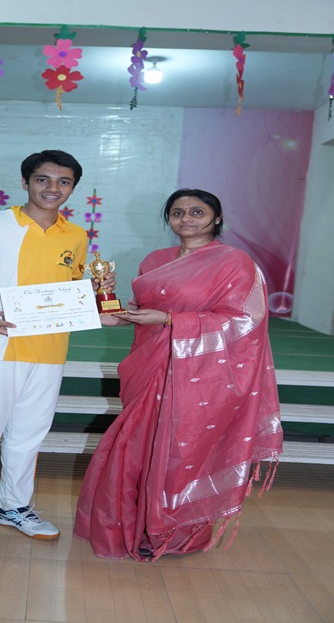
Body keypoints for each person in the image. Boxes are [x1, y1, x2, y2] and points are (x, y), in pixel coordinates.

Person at [74, 188, 283, 561]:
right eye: (177, 212)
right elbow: (136, 313)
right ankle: (130, 526)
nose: (186, 218)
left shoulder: (234, 262)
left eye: (197, 212)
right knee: (136, 446)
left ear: (217, 218)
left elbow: (244, 320)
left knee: (181, 452)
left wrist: (171, 319)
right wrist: (105, 301)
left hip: (199, 376)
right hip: (150, 366)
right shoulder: (156, 260)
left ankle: (172, 534)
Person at [0, 150, 113, 557]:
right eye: (43, 179)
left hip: (50, 352)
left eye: (63, 182)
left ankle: (13, 506)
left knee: (28, 436)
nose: (53, 188)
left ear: (73, 187)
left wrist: (101, 297)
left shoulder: (76, 236)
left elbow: (68, 292)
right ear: (25, 182)